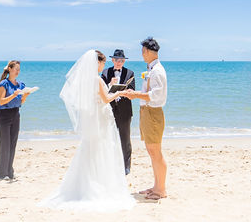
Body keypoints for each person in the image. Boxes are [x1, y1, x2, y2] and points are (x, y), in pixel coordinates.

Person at [42, 50, 136, 211]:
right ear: (97, 63)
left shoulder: (86, 80)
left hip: (95, 117)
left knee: (92, 148)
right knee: (103, 148)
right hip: (102, 118)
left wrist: (109, 87)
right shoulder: (97, 79)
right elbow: (106, 99)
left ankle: (86, 183)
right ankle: (100, 184)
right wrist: (119, 92)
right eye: (102, 63)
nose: (103, 66)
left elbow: (95, 97)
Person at [121, 37, 168, 200]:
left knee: (155, 151)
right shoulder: (152, 69)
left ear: (147, 51)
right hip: (147, 112)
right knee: (151, 150)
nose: (142, 55)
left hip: (152, 112)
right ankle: (156, 186)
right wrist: (136, 94)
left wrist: (135, 95)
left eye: (143, 52)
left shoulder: (157, 71)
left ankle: (161, 190)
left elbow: (156, 95)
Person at [100, 48, 136, 175]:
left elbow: (132, 91)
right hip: (109, 110)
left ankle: (126, 166)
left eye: (121, 60)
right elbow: (101, 91)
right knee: (108, 137)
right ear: (112, 60)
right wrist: (110, 84)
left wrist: (125, 92)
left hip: (125, 110)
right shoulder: (105, 72)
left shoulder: (130, 73)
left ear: (124, 61)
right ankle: (111, 164)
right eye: (116, 60)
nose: (119, 62)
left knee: (125, 139)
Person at [0, 60, 31, 180]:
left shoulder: (20, 85)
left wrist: (25, 95)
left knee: (12, 144)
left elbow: (20, 102)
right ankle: (1, 173)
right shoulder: (4, 83)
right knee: (5, 144)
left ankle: (9, 172)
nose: (17, 71)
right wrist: (14, 95)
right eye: (16, 69)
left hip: (16, 114)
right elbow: (1, 101)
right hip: (4, 115)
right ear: (10, 69)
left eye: (19, 69)